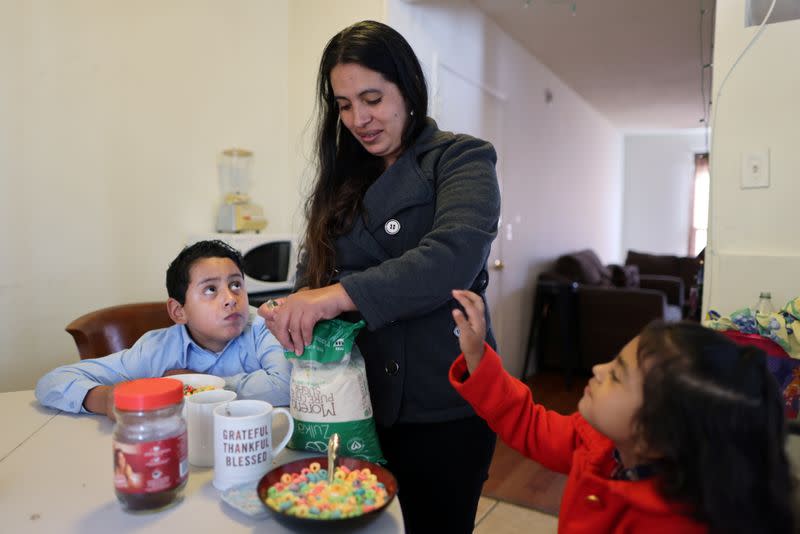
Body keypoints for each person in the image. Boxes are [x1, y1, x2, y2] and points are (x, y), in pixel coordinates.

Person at [258, 20, 501, 533]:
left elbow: (451, 258)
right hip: (351, 406)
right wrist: (291, 306)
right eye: (344, 105)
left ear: (408, 89)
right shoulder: (341, 179)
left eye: (372, 98)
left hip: (441, 406)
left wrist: (334, 296)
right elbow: (313, 276)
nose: (359, 119)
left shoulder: (461, 158)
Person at [449, 289, 796, 533]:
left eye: (616, 374)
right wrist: (479, 358)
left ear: (657, 433)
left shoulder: (674, 524)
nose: (598, 368)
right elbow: (529, 423)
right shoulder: (595, 440)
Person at [36, 240, 291, 419]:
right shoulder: (156, 350)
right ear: (179, 311)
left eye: (236, 285)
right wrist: (104, 399)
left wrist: (196, 385)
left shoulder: (264, 326)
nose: (230, 298)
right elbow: (52, 382)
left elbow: (285, 384)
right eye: (211, 289)